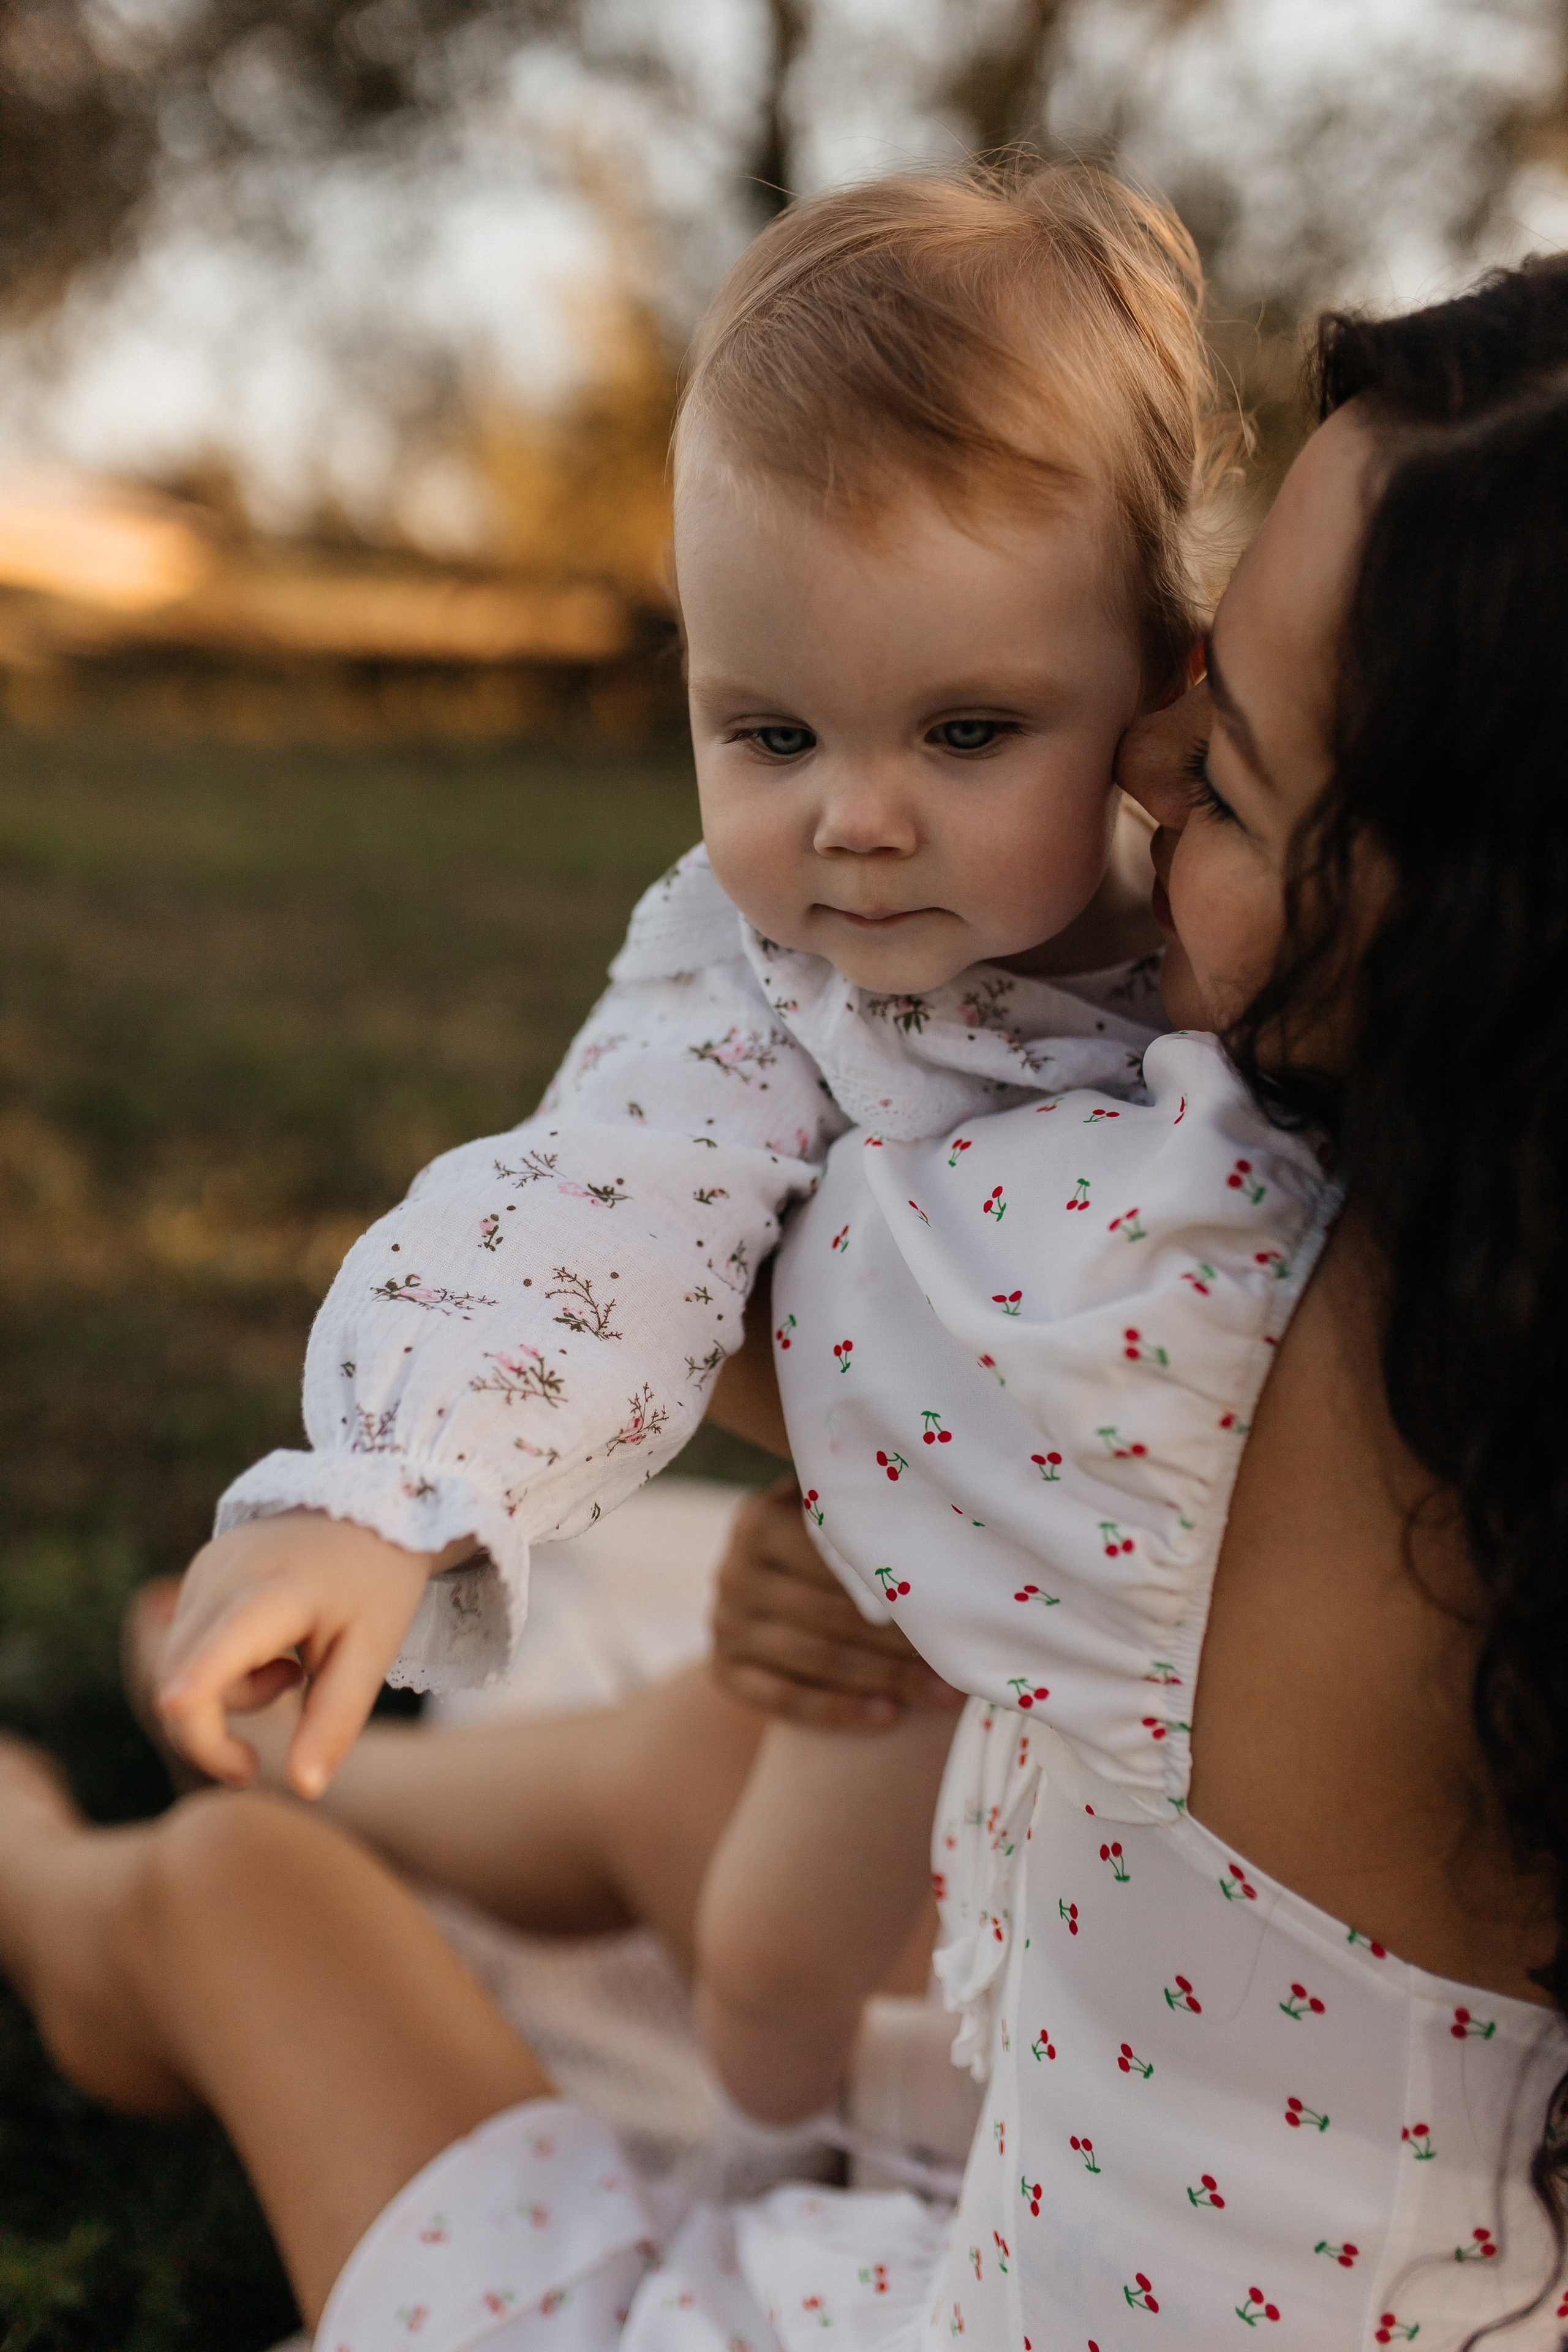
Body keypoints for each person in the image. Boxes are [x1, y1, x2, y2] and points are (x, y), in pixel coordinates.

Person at [1, 253, 1566, 2352]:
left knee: (244, 1899)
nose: (1150, 764)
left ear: (1442, 927)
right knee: (730, 1717)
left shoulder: (1155, 1321)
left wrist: (390, 1479)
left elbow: (625, 1217)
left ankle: (49, 1853)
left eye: (1229, 767)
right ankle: (326, 1758)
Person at [147, 159, 1229, 1800]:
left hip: (1178, 1667)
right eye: (774, 734)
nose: (857, 822)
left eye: (967, 731)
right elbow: (600, 1197)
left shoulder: (1256, 934)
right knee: (773, 1940)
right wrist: (388, 1491)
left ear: (1163, 692)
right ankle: (286, 1820)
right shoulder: (774, 980)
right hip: (902, 1644)